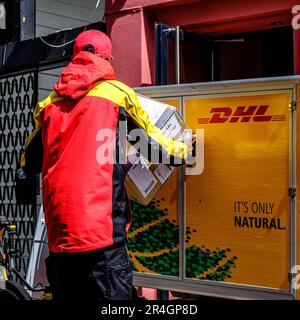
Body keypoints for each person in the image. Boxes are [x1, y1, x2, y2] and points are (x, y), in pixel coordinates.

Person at [15, 29, 192, 302]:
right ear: (107, 57)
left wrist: (24, 195)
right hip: (102, 239)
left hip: (61, 240)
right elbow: (154, 147)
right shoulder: (116, 95)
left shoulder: (48, 105)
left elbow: (26, 164)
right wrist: (186, 151)